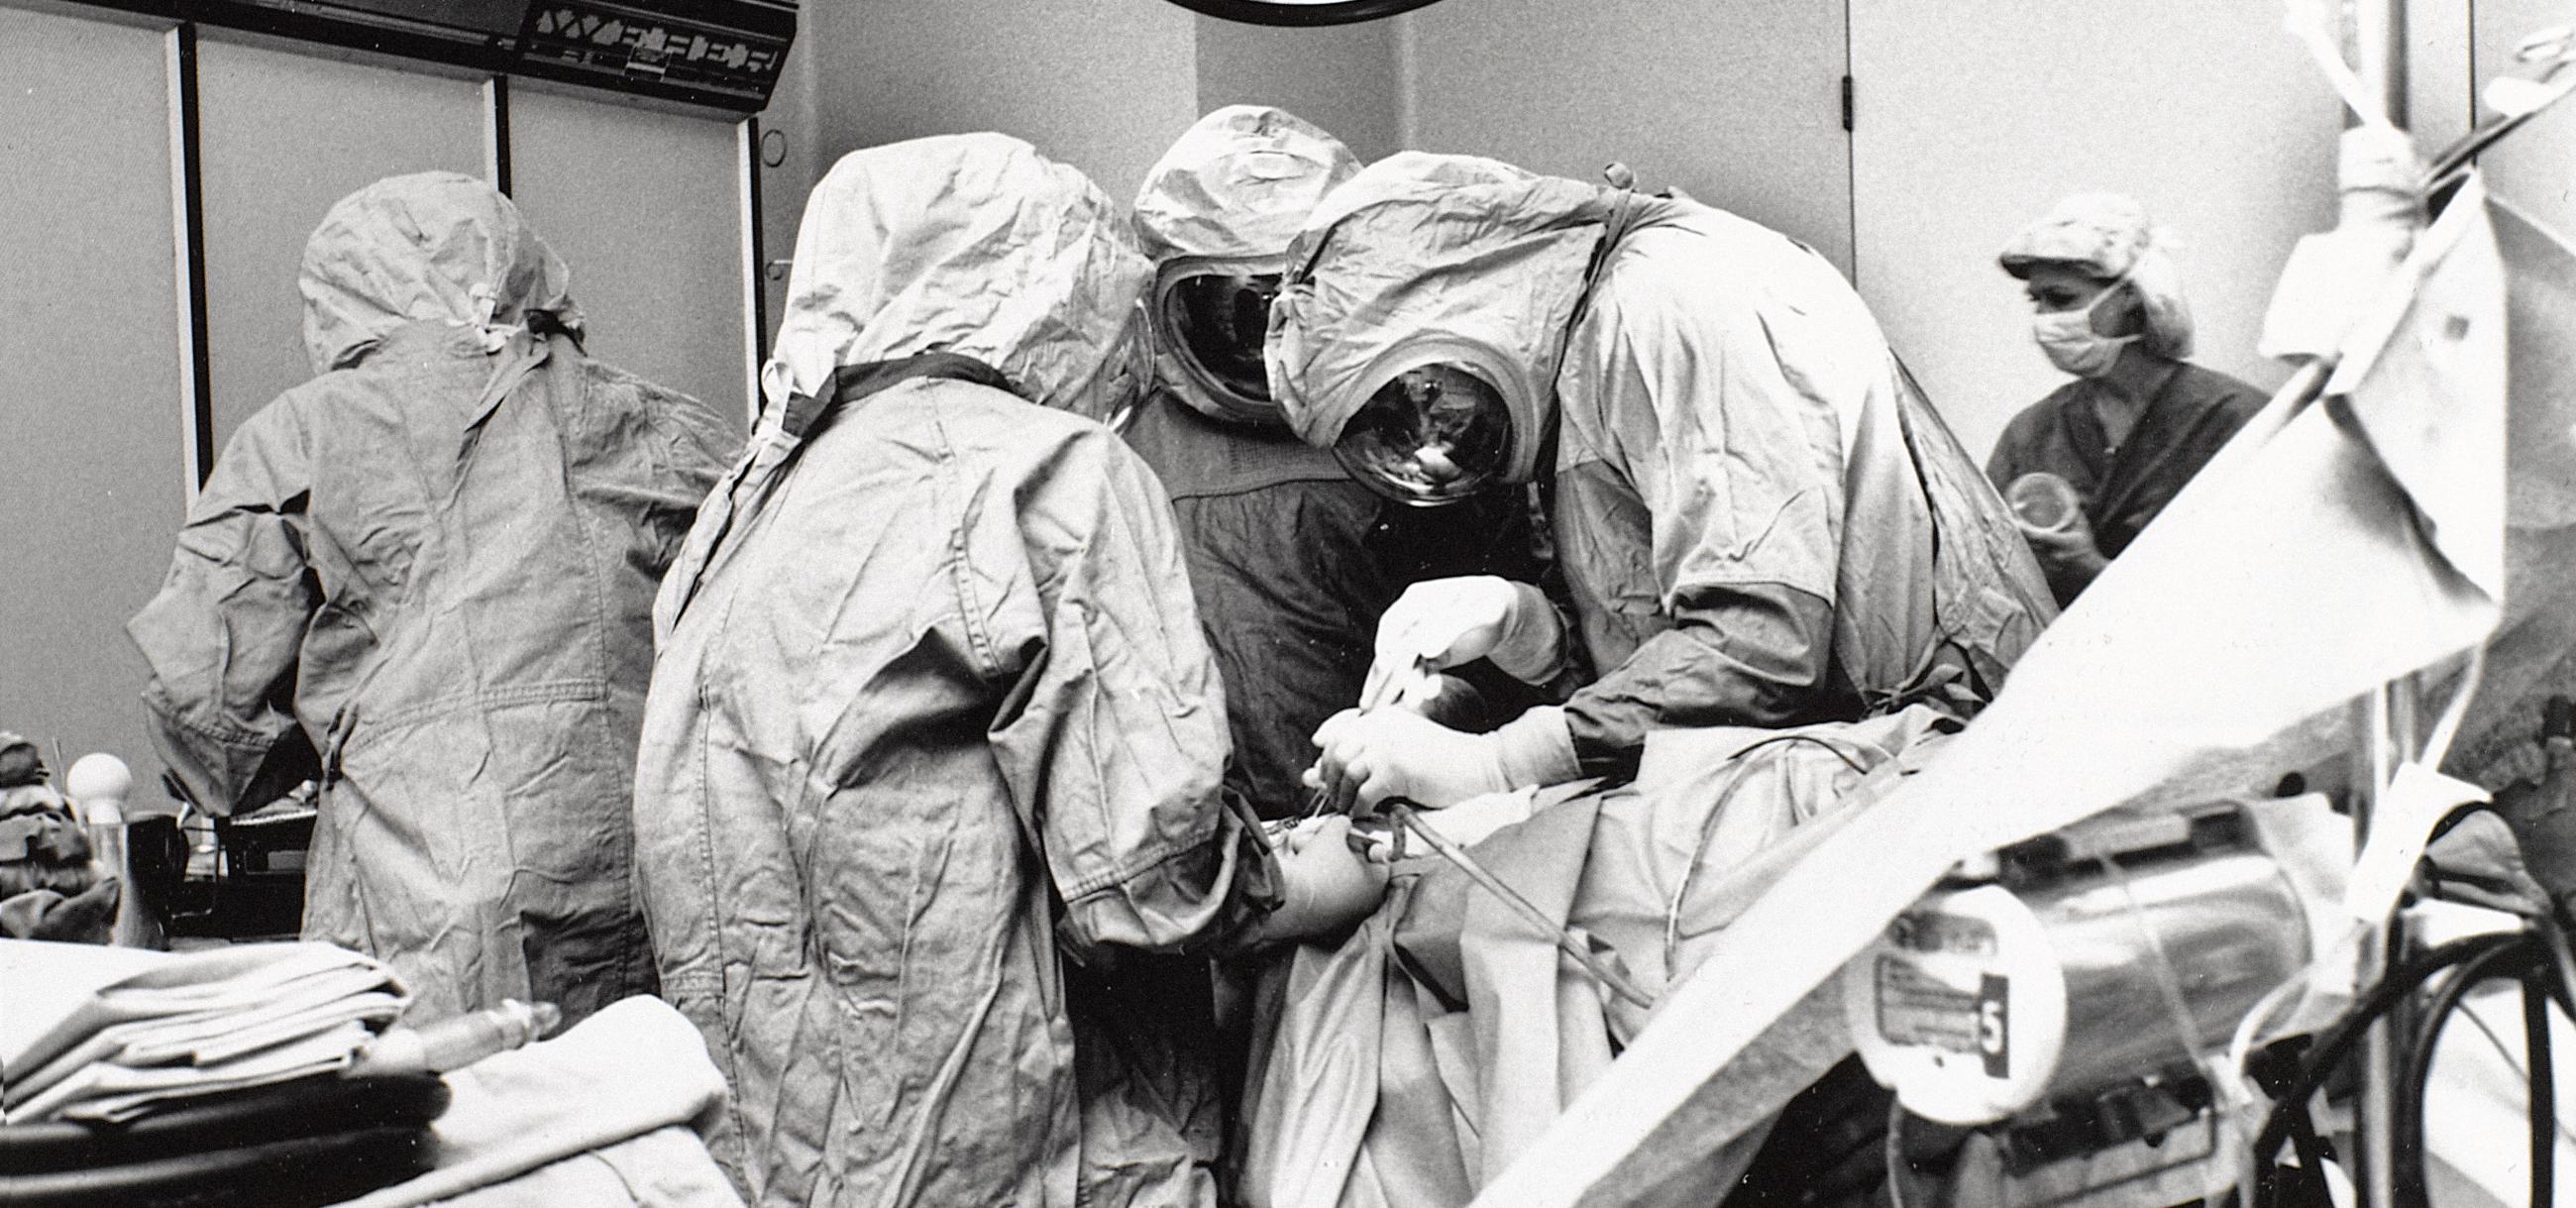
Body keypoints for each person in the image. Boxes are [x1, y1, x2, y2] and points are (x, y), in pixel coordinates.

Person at [628, 133, 1388, 1208]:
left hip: (788, 1159)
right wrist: (1330, 872)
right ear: (1054, 287)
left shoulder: (744, 506)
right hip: (1027, 1147)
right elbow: (1155, 886)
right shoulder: (1048, 469)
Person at [128, 172, 733, 1024]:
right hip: (663, 900)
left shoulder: (305, 433)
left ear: (340, 296)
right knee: (636, 1135)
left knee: (450, 1140)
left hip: (425, 917)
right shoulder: (675, 429)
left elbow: (208, 728)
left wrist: (340, 729)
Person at [1277, 153, 2055, 813]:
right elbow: (1657, 642)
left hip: (1931, 772)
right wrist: (1526, 630)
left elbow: (1761, 647)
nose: (1432, 454)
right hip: (1835, 775)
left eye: (1422, 398)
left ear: (1467, 290)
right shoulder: (1580, 353)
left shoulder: (1671, 301)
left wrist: (1498, 765)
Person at [1123, 105, 1543, 818]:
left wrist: (1429, 719)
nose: (1274, 349)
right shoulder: (1120, 461)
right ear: (1158, 308)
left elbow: (1521, 663)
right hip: (1218, 850)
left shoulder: (1416, 431)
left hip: (1394, 825)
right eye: (1238, 313)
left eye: (1301, 305)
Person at [1986, 192, 2267, 605]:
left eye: (2061, 299)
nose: (2044, 320)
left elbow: (2264, 590)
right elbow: (1984, 572)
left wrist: (2089, 568)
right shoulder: (2031, 435)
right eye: (2036, 300)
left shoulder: (2235, 422)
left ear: (2131, 295)